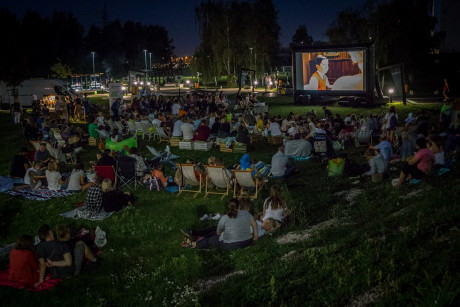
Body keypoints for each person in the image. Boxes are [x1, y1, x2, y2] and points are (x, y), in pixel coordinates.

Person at [184, 199, 258, 250]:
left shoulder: (226, 217)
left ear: (229, 207)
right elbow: (255, 226)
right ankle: (197, 234)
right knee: (217, 231)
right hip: (247, 241)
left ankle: (193, 244)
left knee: (212, 239)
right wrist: (255, 239)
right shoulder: (246, 213)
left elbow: (218, 233)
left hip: (230, 245)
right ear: (239, 207)